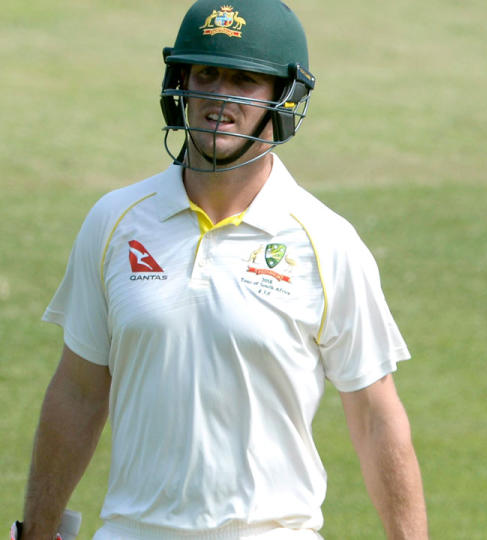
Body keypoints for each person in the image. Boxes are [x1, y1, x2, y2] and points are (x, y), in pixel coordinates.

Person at [17, 1, 428, 538]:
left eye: (244, 80)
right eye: (205, 74)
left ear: (284, 98)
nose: (219, 98)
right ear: (179, 81)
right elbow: (78, 392)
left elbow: (376, 419)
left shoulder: (326, 242)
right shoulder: (114, 222)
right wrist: (37, 531)